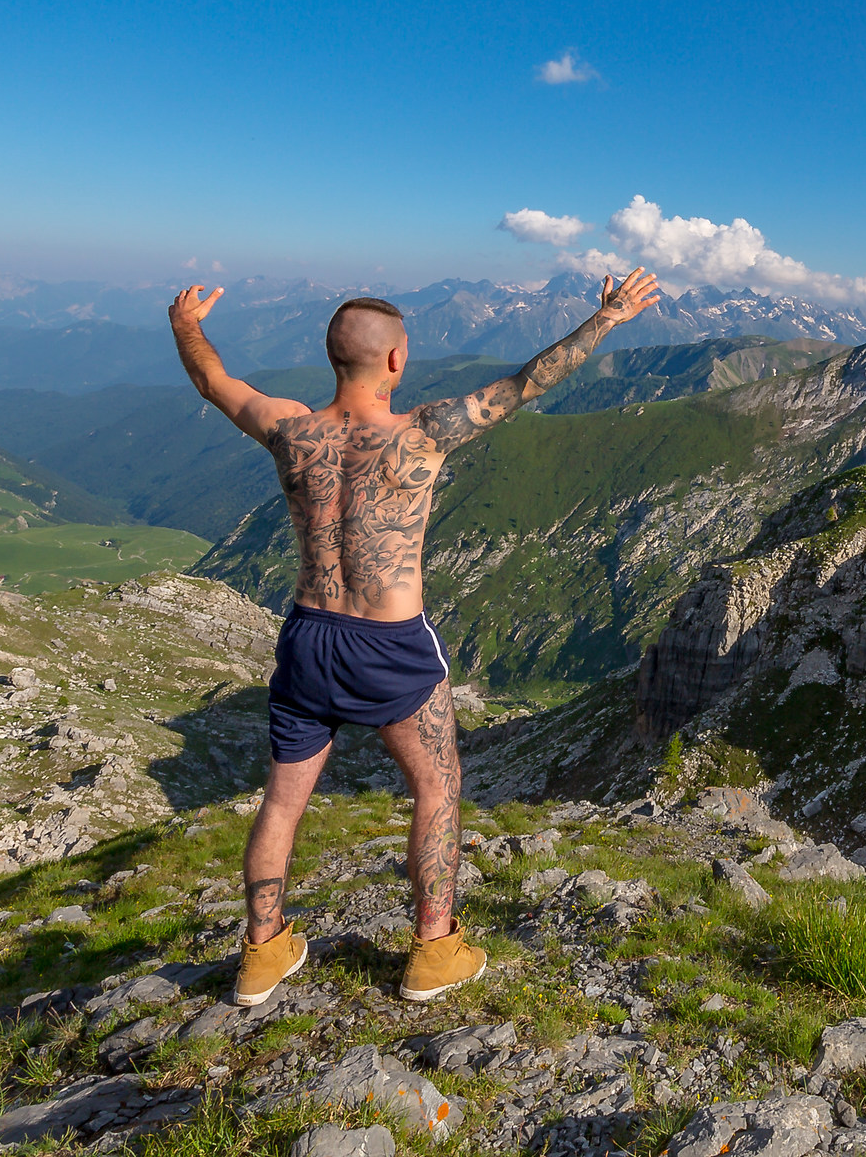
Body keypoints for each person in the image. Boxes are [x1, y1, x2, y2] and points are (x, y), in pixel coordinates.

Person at [168, 268, 662, 1005]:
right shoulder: (424, 434)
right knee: (436, 786)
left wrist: (185, 325)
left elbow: (215, 382)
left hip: (308, 635)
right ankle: (433, 950)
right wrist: (608, 320)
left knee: (281, 802)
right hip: (389, 641)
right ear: (396, 360)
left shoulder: (288, 430)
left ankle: (262, 954)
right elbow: (529, 381)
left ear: (333, 358)